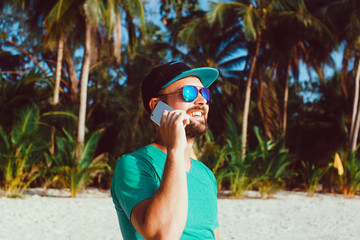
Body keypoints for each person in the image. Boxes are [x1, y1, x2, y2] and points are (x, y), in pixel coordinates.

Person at [111, 61, 219, 240]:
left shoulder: (206, 175)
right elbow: (163, 235)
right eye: (189, 93)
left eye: (204, 93)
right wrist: (175, 149)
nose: (201, 101)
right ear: (157, 107)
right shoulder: (133, 165)